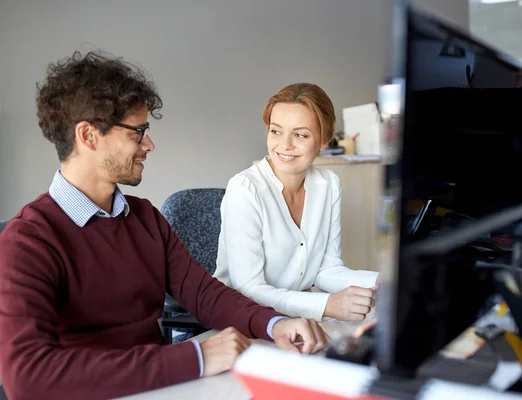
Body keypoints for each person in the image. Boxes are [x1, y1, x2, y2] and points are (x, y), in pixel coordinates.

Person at [0, 52, 328, 400]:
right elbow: (28, 376)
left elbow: (204, 294)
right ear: (89, 136)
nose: (149, 145)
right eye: (137, 132)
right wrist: (197, 356)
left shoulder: (144, 218)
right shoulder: (28, 240)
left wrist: (274, 323)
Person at [214, 83, 379, 322]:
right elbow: (248, 288)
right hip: (244, 319)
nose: (285, 145)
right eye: (276, 131)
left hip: (295, 318)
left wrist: (385, 283)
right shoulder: (245, 189)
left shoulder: (329, 185)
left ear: (324, 140)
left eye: (300, 134)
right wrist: (326, 304)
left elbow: (326, 269)